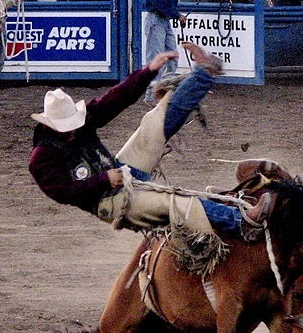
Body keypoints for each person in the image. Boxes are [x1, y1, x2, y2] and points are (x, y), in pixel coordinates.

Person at [29, 42, 271, 247]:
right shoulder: (42, 158)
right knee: (173, 202)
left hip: (121, 172)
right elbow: (63, 193)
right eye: (66, 127)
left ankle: (204, 73)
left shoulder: (81, 121)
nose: (72, 129)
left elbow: (115, 99)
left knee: (155, 122)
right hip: (108, 202)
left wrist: (148, 71)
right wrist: (103, 180)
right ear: (51, 126)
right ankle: (243, 221)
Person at [143, 0, 224, 101]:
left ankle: (163, 91)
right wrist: (177, 15)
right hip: (157, 19)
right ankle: (151, 96)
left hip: (163, 20)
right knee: (157, 58)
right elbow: (159, 2)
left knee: (170, 57)